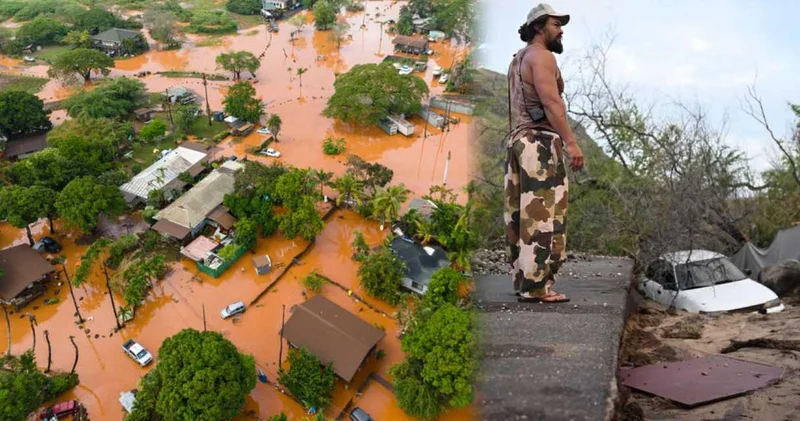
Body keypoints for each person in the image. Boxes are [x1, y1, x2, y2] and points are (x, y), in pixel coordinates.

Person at [505, 3, 584, 303]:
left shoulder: (517, 60)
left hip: (516, 141)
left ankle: (522, 280)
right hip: (538, 142)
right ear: (539, 27)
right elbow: (552, 104)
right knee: (543, 215)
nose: (561, 30)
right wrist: (571, 143)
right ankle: (537, 287)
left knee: (517, 215)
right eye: (555, 24)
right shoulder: (541, 56)